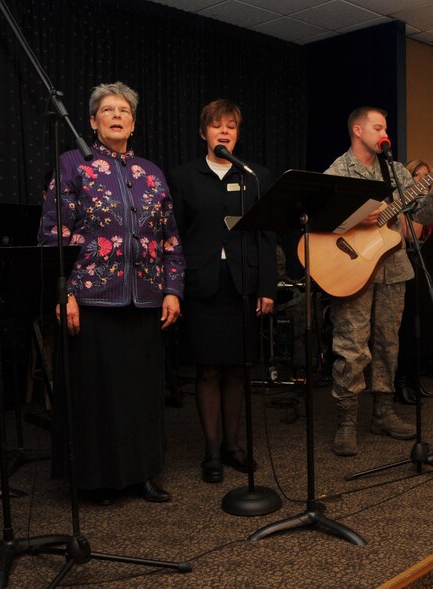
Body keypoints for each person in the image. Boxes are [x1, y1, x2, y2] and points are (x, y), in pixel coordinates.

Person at [39, 82, 185, 505]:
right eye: (107, 110)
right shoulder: (71, 164)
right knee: (97, 396)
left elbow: (170, 238)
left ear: (133, 123)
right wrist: (63, 292)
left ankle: (141, 475)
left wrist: (172, 290)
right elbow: (52, 233)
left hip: (145, 301)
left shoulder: (152, 173)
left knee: (140, 395)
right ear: (92, 121)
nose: (117, 115)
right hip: (91, 300)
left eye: (124, 110)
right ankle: (95, 481)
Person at [324, 107, 433, 457]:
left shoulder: (396, 171)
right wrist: (356, 216)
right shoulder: (339, 169)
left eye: (385, 126)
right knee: (352, 346)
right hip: (351, 267)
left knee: (387, 343)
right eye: (378, 126)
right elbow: (321, 220)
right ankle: (347, 420)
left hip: (393, 269)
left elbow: (423, 215)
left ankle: (382, 412)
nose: (385, 131)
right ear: (357, 129)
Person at [167, 99, 276, 483]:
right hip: (202, 285)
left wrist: (267, 287)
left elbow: (265, 235)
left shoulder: (255, 175)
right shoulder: (183, 177)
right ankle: (211, 452)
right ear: (203, 133)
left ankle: (233, 446)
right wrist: (173, 288)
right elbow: (173, 239)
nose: (224, 131)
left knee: (237, 370)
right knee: (208, 369)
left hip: (243, 286)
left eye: (231, 125)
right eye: (217, 125)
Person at [393, 159, 433, 404]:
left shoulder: (431, 206)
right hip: (409, 262)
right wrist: (417, 202)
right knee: (408, 324)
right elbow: (408, 233)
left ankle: (416, 379)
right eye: (418, 175)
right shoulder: (404, 204)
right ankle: (401, 381)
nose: (425, 180)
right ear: (408, 179)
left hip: (427, 263)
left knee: (425, 322)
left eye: (428, 175)